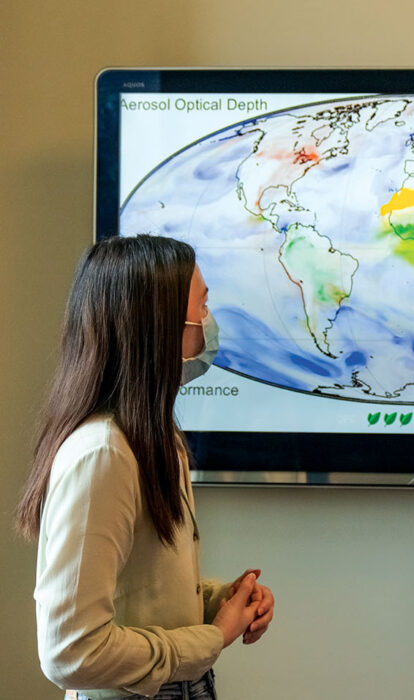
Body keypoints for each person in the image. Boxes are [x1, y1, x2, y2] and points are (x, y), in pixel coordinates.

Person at [15, 235, 275, 699]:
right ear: (158, 325)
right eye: (203, 306)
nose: (210, 325)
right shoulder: (103, 455)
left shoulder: (151, 439)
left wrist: (218, 601)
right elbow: (71, 652)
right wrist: (211, 638)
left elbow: (134, 594)